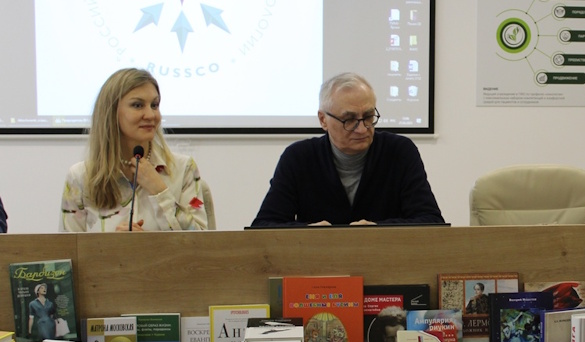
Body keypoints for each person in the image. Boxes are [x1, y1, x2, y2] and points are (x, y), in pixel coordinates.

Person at [251, 72, 445, 227]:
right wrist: (308, 232)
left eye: (368, 117)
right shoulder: (299, 157)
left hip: (384, 258)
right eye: (349, 120)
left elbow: (431, 221)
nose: (362, 129)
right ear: (323, 120)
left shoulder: (399, 151)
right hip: (319, 261)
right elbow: (264, 225)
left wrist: (378, 229)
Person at [60, 68, 210, 232]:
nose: (150, 115)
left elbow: (202, 241)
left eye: (154, 105)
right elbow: (69, 247)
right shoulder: (80, 177)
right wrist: (111, 244)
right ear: (111, 113)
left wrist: (160, 191)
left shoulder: (183, 168)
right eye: (137, 105)